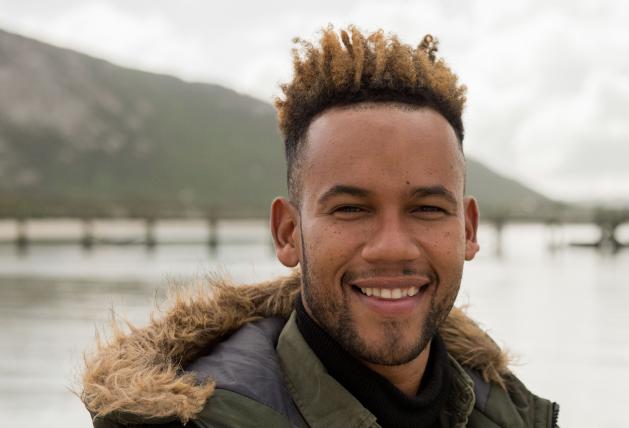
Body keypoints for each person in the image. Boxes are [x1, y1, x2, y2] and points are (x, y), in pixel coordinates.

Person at [81, 25, 559, 428]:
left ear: (468, 230)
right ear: (288, 233)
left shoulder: (510, 412)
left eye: (428, 209)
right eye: (351, 209)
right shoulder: (204, 419)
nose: (392, 247)